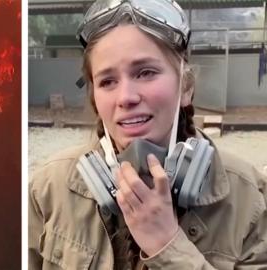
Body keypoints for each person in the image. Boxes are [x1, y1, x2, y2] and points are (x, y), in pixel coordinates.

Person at [28, 0, 267, 269]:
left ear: (186, 87)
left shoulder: (252, 201)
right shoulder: (47, 190)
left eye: (146, 72)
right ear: (95, 99)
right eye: (107, 81)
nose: (126, 97)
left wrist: (167, 245)